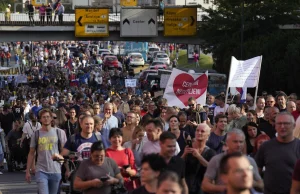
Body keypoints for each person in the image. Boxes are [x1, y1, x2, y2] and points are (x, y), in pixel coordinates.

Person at [201, 129, 263, 194]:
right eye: (235, 142)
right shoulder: (217, 160)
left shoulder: (250, 161)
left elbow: (261, 184)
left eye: (241, 142)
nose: (238, 145)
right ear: (227, 142)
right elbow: (205, 185)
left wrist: (251, 183)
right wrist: (228, 188)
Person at [255, 112, 300, 194]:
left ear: (294, 126)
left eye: (286, 123)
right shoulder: (266, 147)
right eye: (279, 123)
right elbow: (256, 172)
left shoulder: (298, 146)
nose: (282, 126)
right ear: (275, 126)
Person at [25, 109, 67, 194]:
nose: (46, 119)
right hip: (41, 170)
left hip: (56, 170)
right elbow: (31, 153)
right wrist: (27, 171)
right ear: (40, 119)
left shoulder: (59, 132)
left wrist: (67, 169)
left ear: (51, 118)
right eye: (43, 117)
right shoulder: (36, 134)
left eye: (48, 117)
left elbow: (63, 152)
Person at [182, 123, 216, 194]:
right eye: (197, 130)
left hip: (203, 189)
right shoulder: (187, 148)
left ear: (208, 136)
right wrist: (184, 154)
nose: (199, 133)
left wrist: (199, 156)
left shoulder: (210, 152)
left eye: (202, 131)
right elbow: (177, 165)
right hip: (186, 188)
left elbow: (213, 169)